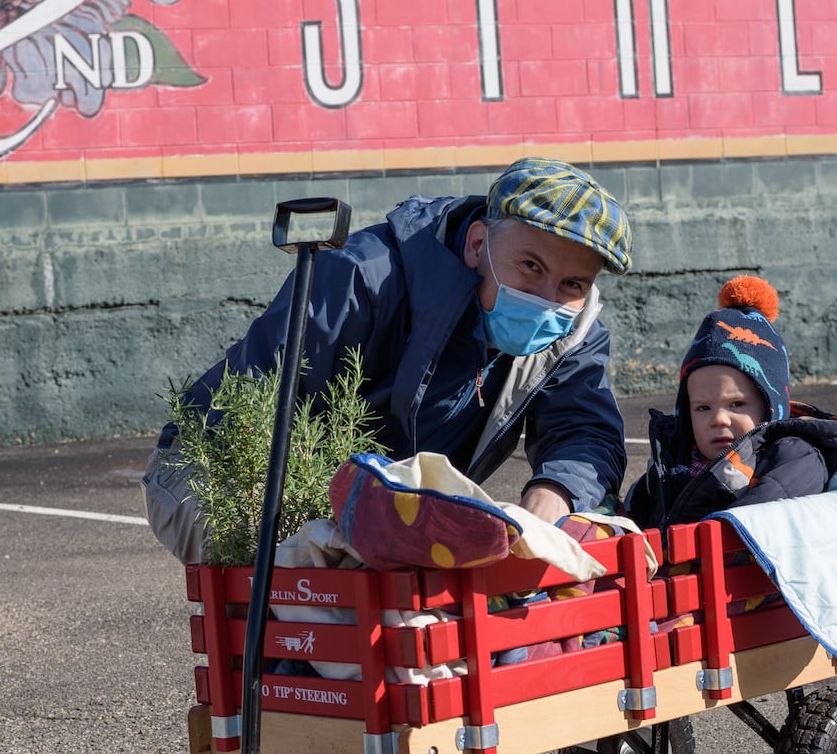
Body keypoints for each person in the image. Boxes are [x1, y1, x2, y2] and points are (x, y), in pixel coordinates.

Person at [142, 154, 633, 563]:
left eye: (573, 284)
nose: (548, 297)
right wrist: (318, 524)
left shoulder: (574, 330)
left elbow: (583, 430)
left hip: (384, 503)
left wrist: (552, 497)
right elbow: (253, 407)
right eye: (531, 266)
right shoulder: (360, 277)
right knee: (304, 599)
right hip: (218, 470)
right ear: (478, 243)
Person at [624, 275, 837, 529]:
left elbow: (746, 525)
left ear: (771, 407)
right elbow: (634, 509)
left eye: (736, 404)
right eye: (703, 407)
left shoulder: (793, 458)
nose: (719, 419)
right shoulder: (677, 460)